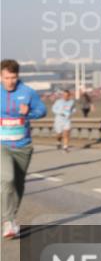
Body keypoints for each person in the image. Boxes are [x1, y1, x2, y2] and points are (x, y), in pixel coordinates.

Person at [1, 59, 47, 239]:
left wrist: (28, 112)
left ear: (18, 76)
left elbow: (42, 111)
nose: (10, 81)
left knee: (18, 184)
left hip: (23, 146)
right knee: (7, 178)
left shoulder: (27, 92)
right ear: (0, 76)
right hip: (1, 145)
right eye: (6, 77)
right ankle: (7, 220)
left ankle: (11, 217)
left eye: (13, 77)